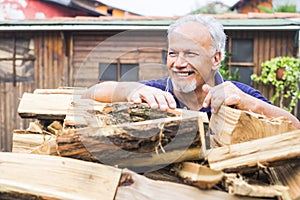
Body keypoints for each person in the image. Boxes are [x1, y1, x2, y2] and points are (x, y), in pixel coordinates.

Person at [83, 14, 300, 129]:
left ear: (216, 59)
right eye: (172, 53)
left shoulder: (240, 98)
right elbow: (90, 94)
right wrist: (129, 89)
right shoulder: (156, 94)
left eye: (191, 53)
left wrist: (250, 104)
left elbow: (295, 130)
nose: (178, 63)